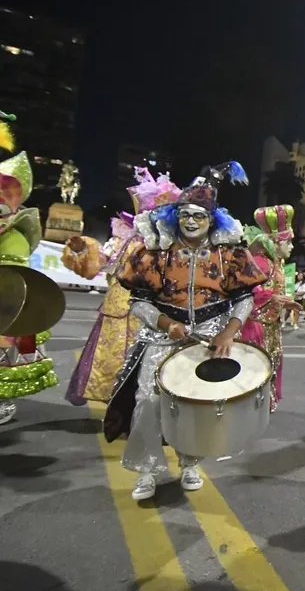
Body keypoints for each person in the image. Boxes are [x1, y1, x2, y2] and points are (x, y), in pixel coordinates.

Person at [103, 162, 267, 501]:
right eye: (184, 214)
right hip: (163, 335)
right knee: (148, 399)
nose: (190, 221)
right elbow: (138, 302)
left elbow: (244, 297)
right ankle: (148, 469)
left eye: (199, 216)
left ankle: (190, 462)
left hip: (210, 334)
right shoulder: (156, 250)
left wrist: (228, 333)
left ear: (213, 219)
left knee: (196, 402)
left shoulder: (230, 253)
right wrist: (167, 324)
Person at [61, 167, 182, 405]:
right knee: (113, 361)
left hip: (156, 313)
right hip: (119, 311)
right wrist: (81, 250)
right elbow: (101, 264)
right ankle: (119, 410)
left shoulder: (172, 245)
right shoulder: (124, 238)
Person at [0, 150, 65, 425]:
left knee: (4, 358)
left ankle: (3, 401)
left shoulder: (14, 237)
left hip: (5, 309)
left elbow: (12, 279)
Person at [241, 205, 302, 411]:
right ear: (276, 241)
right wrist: (274, 297)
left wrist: (282, 300)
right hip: (256, 326)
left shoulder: (274, 262)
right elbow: (247, 291)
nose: (292, 247)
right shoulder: (261, 262)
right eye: (289, 241)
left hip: (268, 324)